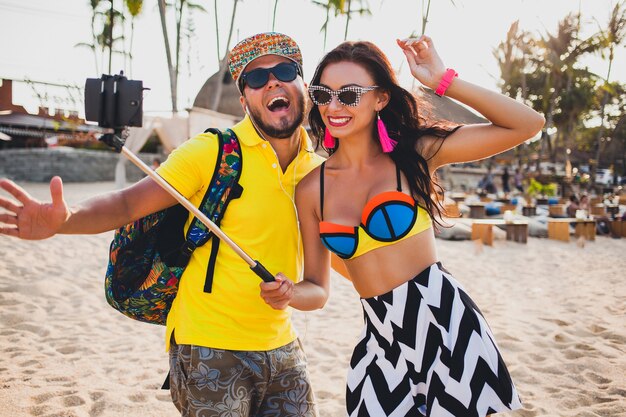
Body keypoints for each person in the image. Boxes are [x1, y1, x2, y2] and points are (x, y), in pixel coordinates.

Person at [0, 32, 325, 417]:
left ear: (303, 84)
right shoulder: (213, 151)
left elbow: (318, 289)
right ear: (244, 100)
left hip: (284, 349)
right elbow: (126, 203)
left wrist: (291, 294)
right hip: (209, 346)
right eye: (255, 78)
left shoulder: (319, 172)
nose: (271, 81)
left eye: (283, 70)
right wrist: (65, 220)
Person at [260, 36, 544, 416]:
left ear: (381, 98)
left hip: (447, 327)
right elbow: (317, 288)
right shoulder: (312, 188)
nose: (333, 105)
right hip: (381, 341)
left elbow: (527, 124)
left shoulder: (416, 153)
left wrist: (443, 80)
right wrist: (289, 293)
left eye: (350, 93)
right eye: (323, 93)